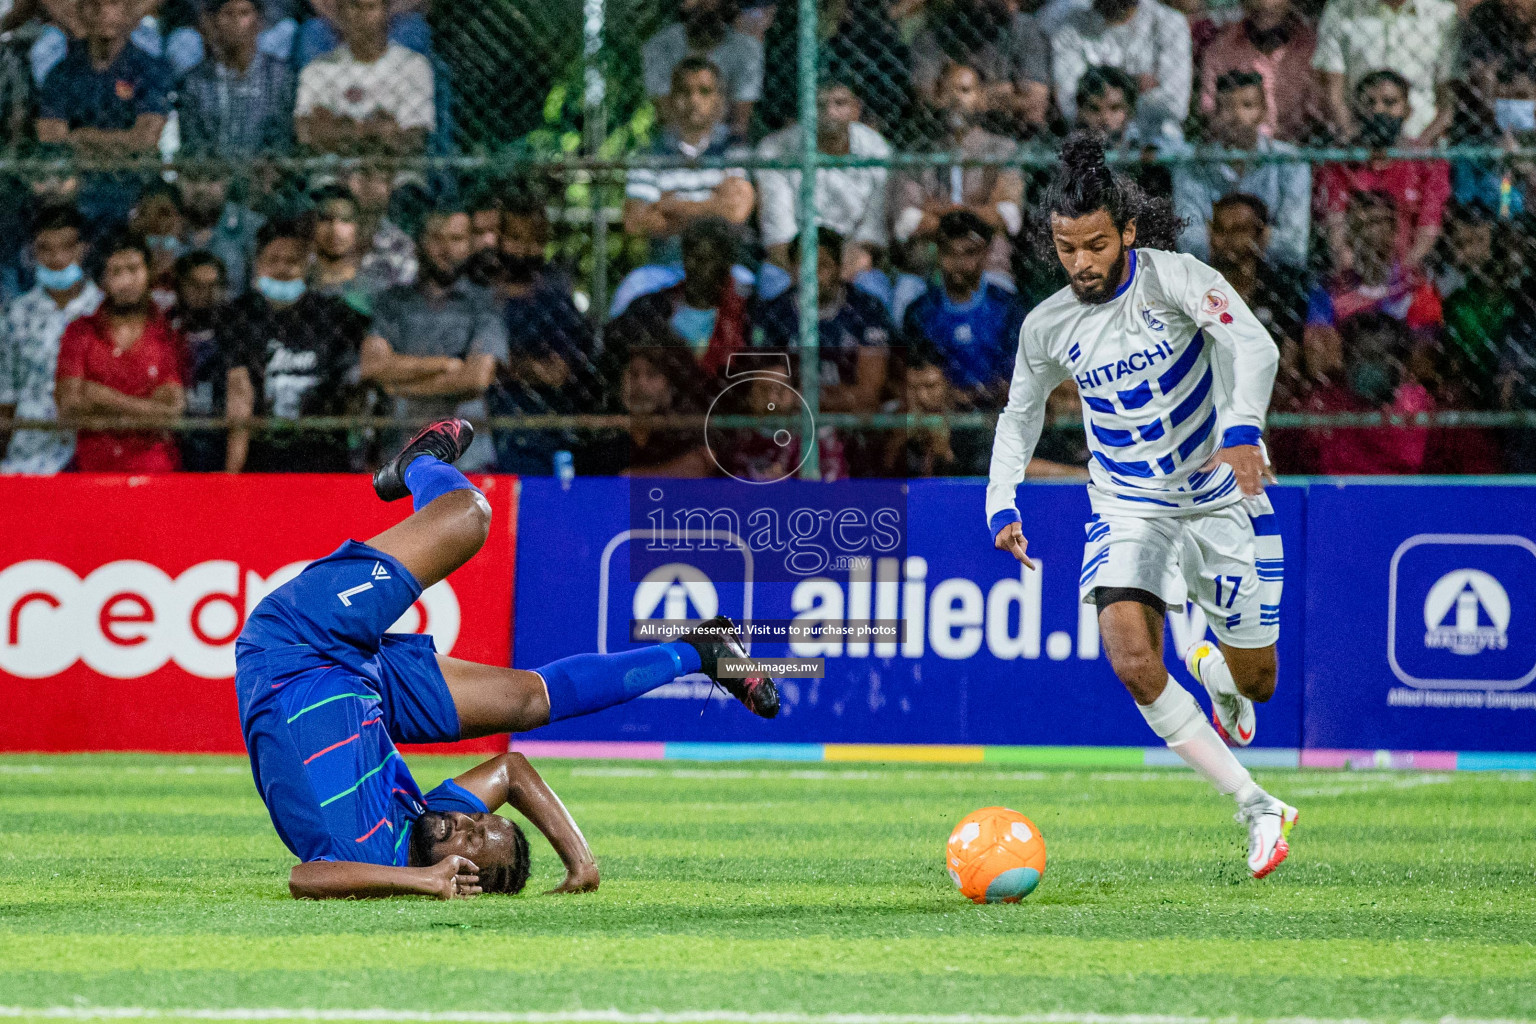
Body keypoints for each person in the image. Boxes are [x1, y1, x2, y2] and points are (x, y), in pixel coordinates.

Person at [238, 417, 777, 898]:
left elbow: (305, 876)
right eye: (479, 823)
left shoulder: (369, 863)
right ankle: (699, 651)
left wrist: (421, 880)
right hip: (361, 685)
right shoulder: (423, 817)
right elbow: (511, 771)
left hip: (294, 647)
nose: (468, 827)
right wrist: (580, 860)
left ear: (463, 876)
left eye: (473, 842)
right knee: (527, 698)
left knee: (468, 516)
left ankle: (421, 464)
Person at [986, 132, 1296, 879]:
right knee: (1130, 659)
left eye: (1096, 244)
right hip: (1128, 504)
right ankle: (1258, 806)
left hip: (1218, 495)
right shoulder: (1047, 325)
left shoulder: (1177, 279)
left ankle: (1217, 671)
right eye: (1067, 249)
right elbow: (1019, 417)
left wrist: (1245, 429)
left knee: (1259, 680)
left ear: (1126, 231)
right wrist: (1002, 503)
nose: (1083, 263)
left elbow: (1255, 347)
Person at [222, 215, 426, 473]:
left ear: (307, 265)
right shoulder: (240, 316)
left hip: (325, 456)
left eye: (292, 261)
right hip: (262, 459)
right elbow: (239, 393)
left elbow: (360, 384)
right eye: (273, 261)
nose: (283, 269)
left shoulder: (337, 317)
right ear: (257, 263)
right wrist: (233, 474)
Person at [371, 207, 507, 472]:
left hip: (467, 458)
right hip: (401, 455)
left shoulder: (486, 303)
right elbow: (373, 366)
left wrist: (398, 385)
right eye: (436, 238)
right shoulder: (393, 302)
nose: (446, 249)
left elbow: (477, 378)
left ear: (469, 244)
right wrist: (446, 365)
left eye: (456, 239)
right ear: (420, 241)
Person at [54, 230, 186, 472]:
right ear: (102, 280)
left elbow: (172, 412)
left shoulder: (166, 334)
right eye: (116, 272)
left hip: (154, 469)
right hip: (93, 468)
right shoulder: (80, 332)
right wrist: (145, 410)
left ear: (148, 272)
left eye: (133, 269)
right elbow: (69, 407)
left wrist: (100, 396)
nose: (126, 281)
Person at [893, 62, 1023, 303]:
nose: (955, 99)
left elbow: (1009, 217)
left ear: (981, 98)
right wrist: (978, 214)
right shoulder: (917, 153)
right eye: (947, 91)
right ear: (936, 97)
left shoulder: (1003, 149)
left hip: (988, 266)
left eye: (965, 91)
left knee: (1002, 303)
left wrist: (936, 211)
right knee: (904, 295)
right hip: (927, 270)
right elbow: (906, 223)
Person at [35, 0, 172, 226]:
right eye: (94, 4)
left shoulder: (150, 70)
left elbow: (146, 138)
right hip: (77, 189)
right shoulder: (62, 73)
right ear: (81, 12)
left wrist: (80, 137)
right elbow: (50, 136)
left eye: (113, 3)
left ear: (128, 11)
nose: (104, 12)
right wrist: (123, 140)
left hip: (135, 186)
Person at [0, 205, 103, 475]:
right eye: (45, 248)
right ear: (33, 253)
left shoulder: (102, 310)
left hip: (88, 450)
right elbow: (5, 394)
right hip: (27, 452)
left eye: (67, 247)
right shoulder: (15, 314)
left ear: (83, 249)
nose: (57, 257)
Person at [1304, 190, 1443, 390]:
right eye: (1361, 224)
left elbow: (1422, 363)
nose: (1370, 232)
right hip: (1342, 391)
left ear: (1395, 230)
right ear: (1349, 233)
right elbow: (1320, 362)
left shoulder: (1418, 288)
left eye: (1379, 222)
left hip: (1402, 394)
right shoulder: (1327, 290)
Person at [756, 80, 890, 285]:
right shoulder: (775, 150)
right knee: (772, 283)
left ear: (856, 109)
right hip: (793, 259)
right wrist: (807, 271)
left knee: (873, 286)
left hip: (851, 260)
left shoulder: (876, 149)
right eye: (819, 104)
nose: (830, 112)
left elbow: (871, 232)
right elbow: (779, 234)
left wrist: (836, 270)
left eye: (840, 103)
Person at [624, 57, 755, 267]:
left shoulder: (735, 150)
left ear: (720, 101)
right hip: (665, 267)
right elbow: (635, 223)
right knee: (632, 290)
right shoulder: (648, 154)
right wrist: (714, 205)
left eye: (704, 91)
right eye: (685, 92)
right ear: (671, 99)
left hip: (725, 267)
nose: (694, 100)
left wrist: (669, 205)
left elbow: (736, 214)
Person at [1315, 70, 1451, 270]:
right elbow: (1336, 228)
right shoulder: (1341, 159)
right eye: (1369, 103)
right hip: (1352, 269)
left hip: (1406, 269)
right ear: (1357, 110)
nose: (1378, 110)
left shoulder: (1427, 161)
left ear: (1407, 111)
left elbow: (1428, 231)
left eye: (1389, 102)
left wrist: (1399, 276)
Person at [1173, 70, 1310, 268]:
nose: (1237, 116)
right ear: (1216, 114)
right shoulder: (1194, 164)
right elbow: (1188, 242)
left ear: (1263, 111)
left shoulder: (1289, 161)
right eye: (1227, 107)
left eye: (1247, 105)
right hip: (1209, 273)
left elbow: (1294, 247)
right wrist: (1259, 239)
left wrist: (1218, 238)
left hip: (1272, 274)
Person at [751, 228, 891, 416]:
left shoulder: (865, 309)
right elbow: (770, 397)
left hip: (851, 424)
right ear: (792, 269)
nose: (813, 274)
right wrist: (835, 396)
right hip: (794, 423)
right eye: (805, 264)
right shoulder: (774, 314)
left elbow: (867, 395)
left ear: (839, 268)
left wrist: (807, 398)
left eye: (823, 265)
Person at [901, 211, 1026, 410]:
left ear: (985, 253)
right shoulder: (920, 312)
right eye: (950, 253)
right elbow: (920, 376)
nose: (959, 263)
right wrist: (951, 396)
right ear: (938, 254)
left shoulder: (1008, 308)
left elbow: (1018, 374)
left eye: (969, 252)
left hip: (1000, 414)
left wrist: (988, 393)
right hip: (942, 416)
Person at [1204, 194, 1309, 413]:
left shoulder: (1281, 291)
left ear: (1261, 237)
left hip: (1269, 402)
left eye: (1239, 230)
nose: (1228, 239)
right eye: (1220, 230)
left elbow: (1289, 359)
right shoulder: (1194, 289)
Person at [294, 0, 433, 156]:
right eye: (355, 6)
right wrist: (379, 130)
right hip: (336, 167)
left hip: (394, 163)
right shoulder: (317, 68)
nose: (362, 16)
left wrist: (343, 128)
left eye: (370, 7)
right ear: (341, 13)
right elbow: (306, 133)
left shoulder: (413, 65)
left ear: (385, 12)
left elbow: (414, 136)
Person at [1312, 0, 1458, 145]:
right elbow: (1332, 91)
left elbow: (1447, 104)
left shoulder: (1444, 15)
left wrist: (1418, 147)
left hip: (1423, 144)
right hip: (1358, 141)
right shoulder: (1342, 9)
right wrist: (1354, 139)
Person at [1052, 0, 1193, 143]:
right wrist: (1136, 85)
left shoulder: (1170, 22)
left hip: (1157, 141)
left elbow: (1176, 106)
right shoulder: (1071, 28)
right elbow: (1068, 103)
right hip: (1090, 140)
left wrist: (1103, 98)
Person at [908, 0, 1051, 134]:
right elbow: (926, 97)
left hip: (1012, 135)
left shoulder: (1025, 28)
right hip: (948, 136)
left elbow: (1036, 98)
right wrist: (1009, 93)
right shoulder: (938, 31)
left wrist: (971, 94)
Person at [177, 0, 296, 159]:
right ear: (214, 22)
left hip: (265, 175)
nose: (236, 22)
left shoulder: (280, 76)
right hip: (212, 175)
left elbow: (283, 137)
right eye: (228, 14)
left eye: (244, 13)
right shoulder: (194, 81)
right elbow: (193, 140)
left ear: (258, 21)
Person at [1198, 0, 1320, 145]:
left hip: (1293, 149)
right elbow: (1210, 111)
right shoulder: (1223, 47)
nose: (1266, 5)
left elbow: (1316, 115)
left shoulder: (1310, 48)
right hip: (1237, 147)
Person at [641, 0, 762, 136]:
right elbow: (666, 115)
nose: (705, 5)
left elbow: (740, 124)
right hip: (676, 140)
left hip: (725, 140)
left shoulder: (747, 49)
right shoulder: (660, 47)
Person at [172, 250, 231, 472]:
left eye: (213, 286)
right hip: (177, 444)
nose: (205, 294)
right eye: (195, 285)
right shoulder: (164, 330)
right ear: (180, 288)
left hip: (218, 442)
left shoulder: (234, 333)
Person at [179, 167, 263, 298]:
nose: (201, 188)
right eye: (192, 179)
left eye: (212, 179)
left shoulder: (250, 224)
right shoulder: (164, 221)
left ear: (226, 182)